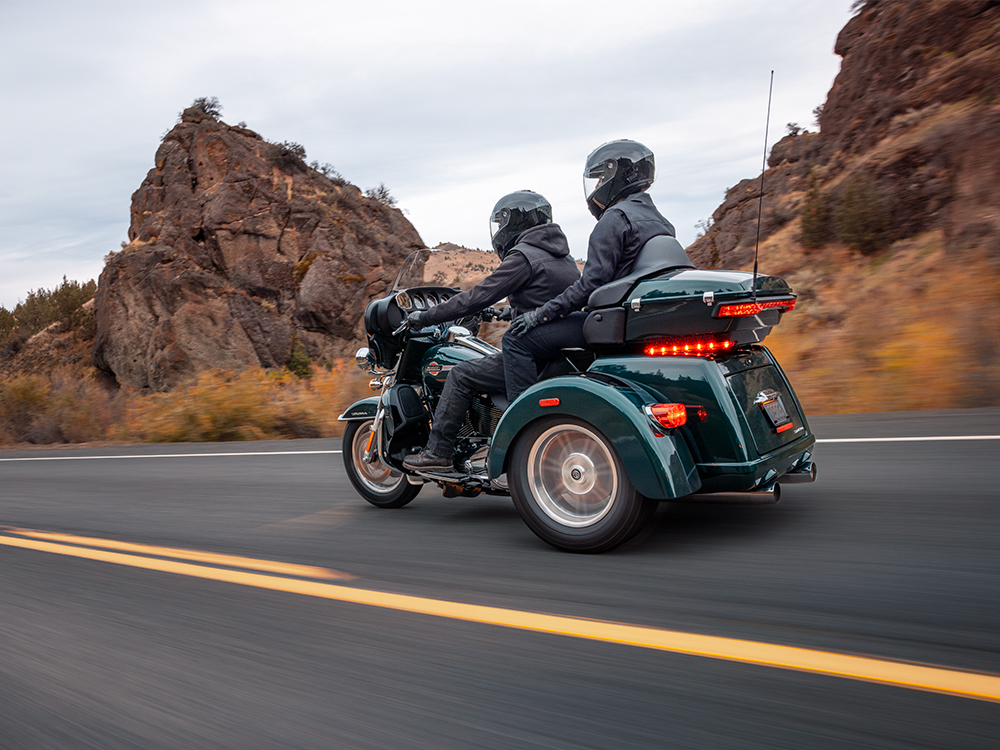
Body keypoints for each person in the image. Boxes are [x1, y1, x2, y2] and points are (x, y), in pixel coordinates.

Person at [402, 190, 580, 471]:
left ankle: (439, 452)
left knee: (460, 374)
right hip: (553, 349)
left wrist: (425, 316)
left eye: (501, 224)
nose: (499, 232)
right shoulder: (562, 257)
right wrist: (505, 312)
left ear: (514, 222)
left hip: (533, 354)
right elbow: (546, 300)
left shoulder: (523, 256)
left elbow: (476, 297)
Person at [503, 139, 676, 400]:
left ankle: (521, 420)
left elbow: (590, 285)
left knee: (515, 340)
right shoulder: (661, 221)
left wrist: (539, 315)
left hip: (610, 323)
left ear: (617, 174)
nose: (596, 188)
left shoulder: (615, 219)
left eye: (600, 178)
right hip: (635, 321)